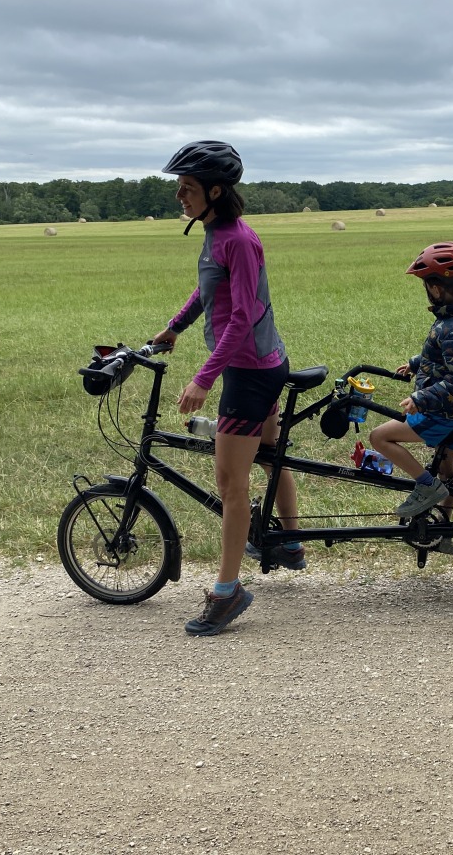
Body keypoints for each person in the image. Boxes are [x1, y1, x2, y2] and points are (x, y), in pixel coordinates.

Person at [150, 140, 300, 637]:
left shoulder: (235, 238)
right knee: (270, 453)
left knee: (232, 486)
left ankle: (227, 591)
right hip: (264, 361)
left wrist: (202, 378)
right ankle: (289, 542)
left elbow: (241, 316)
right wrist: (176, 326)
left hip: (250, 370)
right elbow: (208, 289)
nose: (179, 196)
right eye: (179, 187)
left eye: (187, 188)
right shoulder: (219, 235)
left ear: (216, 191)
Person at [369, 242, 453, 517]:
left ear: (435, 288)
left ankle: (426, 486)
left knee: (379, 437)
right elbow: (448, 359)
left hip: (443, 414)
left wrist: (421, 398)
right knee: (447, 472)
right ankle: (444, 525)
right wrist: (416, 364)